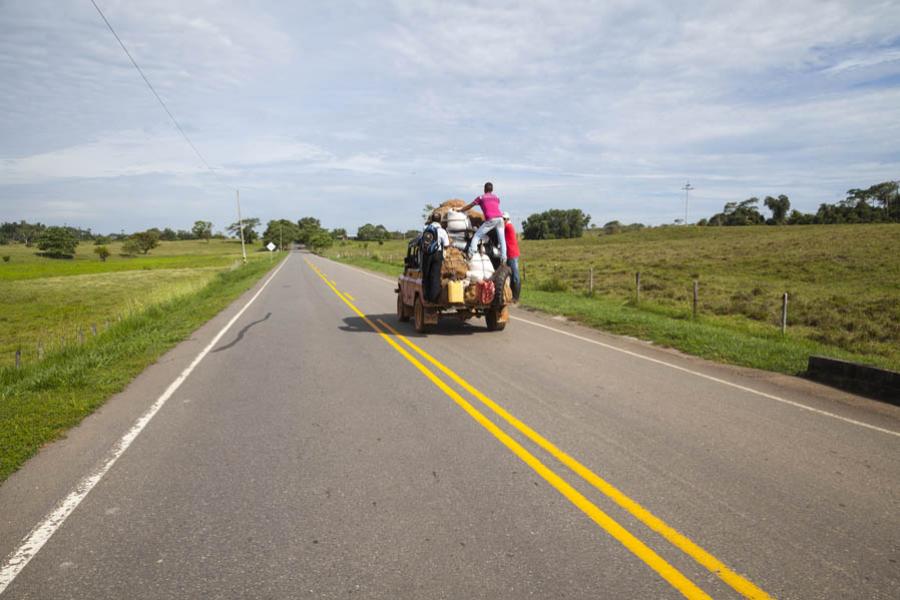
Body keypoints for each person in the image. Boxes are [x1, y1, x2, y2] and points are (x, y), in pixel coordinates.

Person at [460, 182, 506, 263]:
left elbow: (470, 205)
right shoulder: (496, 197)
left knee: (477, 235)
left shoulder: (481, 198)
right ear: (492, 190)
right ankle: (503, 258)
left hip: (491, 219)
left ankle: (470, 254)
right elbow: (496, 204)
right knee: (502, 239)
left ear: (484, 189)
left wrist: (461, 210)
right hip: (500, 218)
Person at [502, 212, 521, 301]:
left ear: (506, 219)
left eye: (503, 219)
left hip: (512, 254)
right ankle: (511, 295)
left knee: (515, 276)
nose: (501, 221)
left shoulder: (508, 226)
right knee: (511, 275)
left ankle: (516, 297)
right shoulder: (508, 226)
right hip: (510, 253)